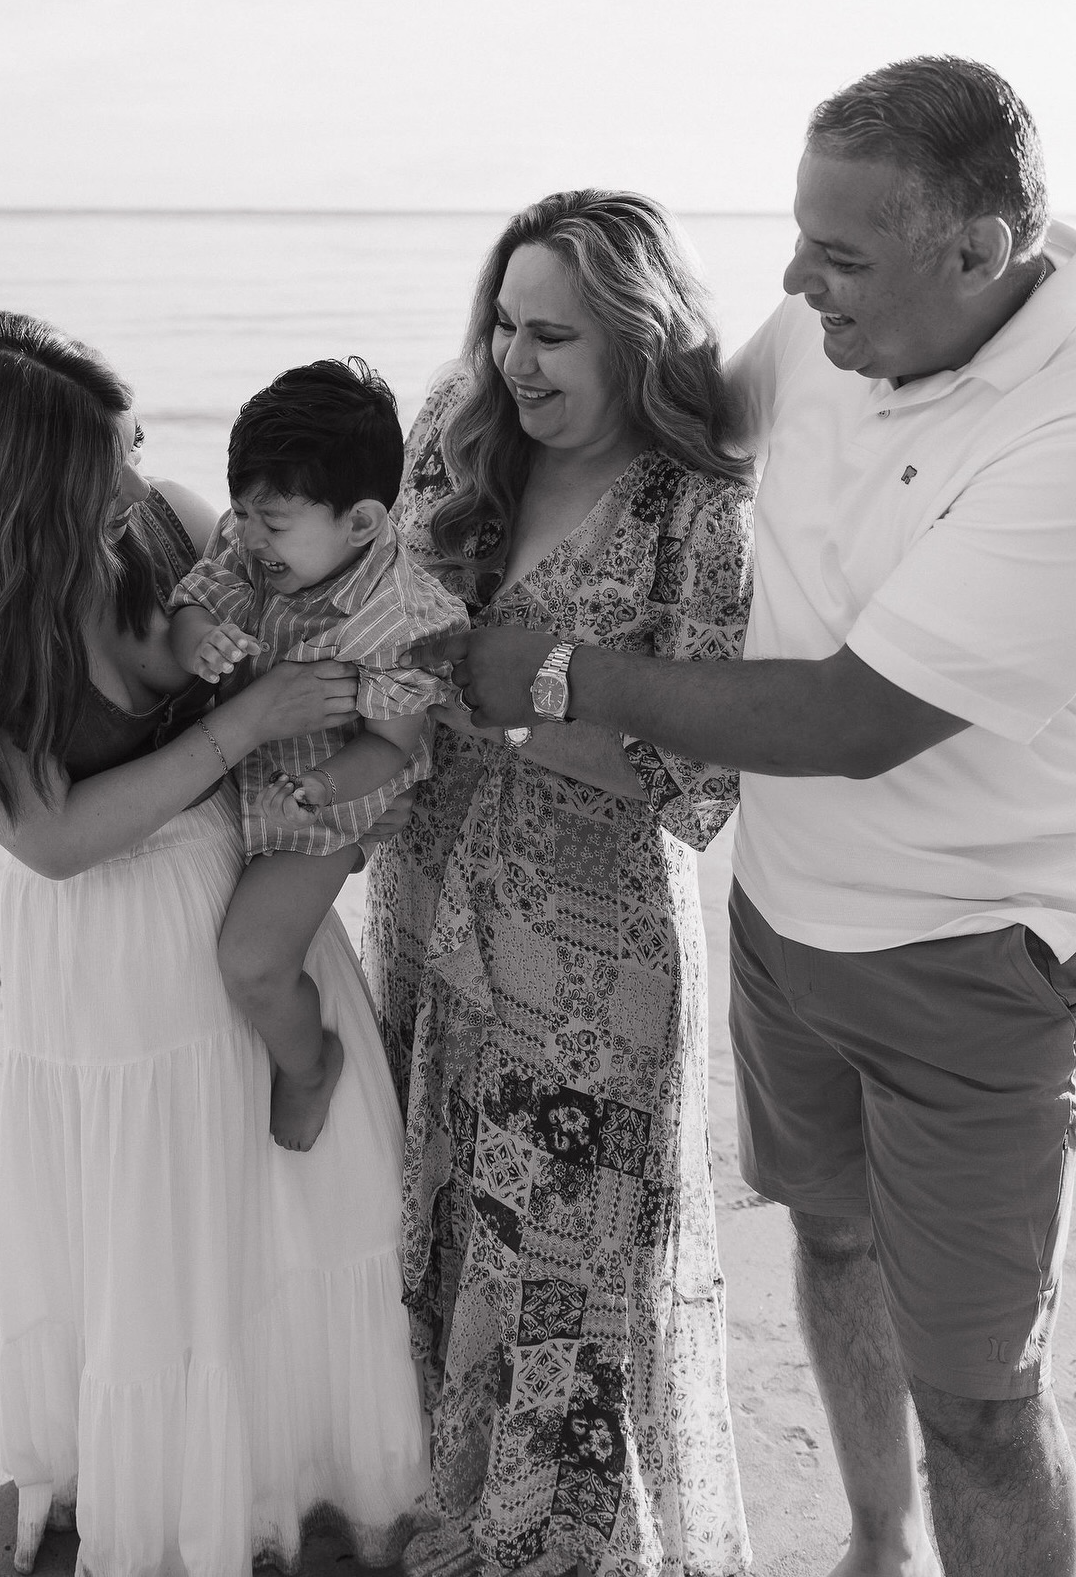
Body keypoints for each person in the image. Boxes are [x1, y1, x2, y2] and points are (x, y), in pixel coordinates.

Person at [421, 57, 1076, 1577]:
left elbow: (848, 717)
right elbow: (677, 406)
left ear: (978, 251)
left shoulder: (1057, 439)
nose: (792, 283)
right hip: (783, 924)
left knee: (980, 1394)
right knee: (831, 1242)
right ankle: (873, 1538)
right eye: (800, 238)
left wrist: (569, 671)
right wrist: (501, 400)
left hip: (971, 961)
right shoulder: (846, 313)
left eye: (837, 256)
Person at [0, 312, 428, 1577]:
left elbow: (302, 602)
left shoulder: (153, 520)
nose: (137, 472)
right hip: (106, 944)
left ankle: (296, 1465)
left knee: (296, 1201)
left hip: (245, 872)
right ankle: (181, 1492)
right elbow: (52, 836)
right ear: (14, 488)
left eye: (132, 436)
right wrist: (242, 717)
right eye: (105, 458)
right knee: (164, 1237)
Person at [362, 190, 755, 1576]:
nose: (517, 362)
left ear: (639, 338)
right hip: (426, 893)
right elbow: (375, 626)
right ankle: (446, 1502)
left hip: (591, 953)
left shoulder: (695, 511)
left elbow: (704, 787)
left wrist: (524, 700)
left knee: (570, 1270)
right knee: (442, 1211)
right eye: (503, 324)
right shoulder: (456, 440)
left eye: (555, 336)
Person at [169, 358, 468, 1151]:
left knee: (253, 962)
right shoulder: (250, 547)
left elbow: (389, 749)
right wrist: (201, 644)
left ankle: (309, 1064)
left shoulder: (399, 618)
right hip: (234, 763)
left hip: (323, 806)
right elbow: (192, 603)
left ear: (362, 523)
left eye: (274, 521)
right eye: (240, 513)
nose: (247, 537)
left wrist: (315, 788)